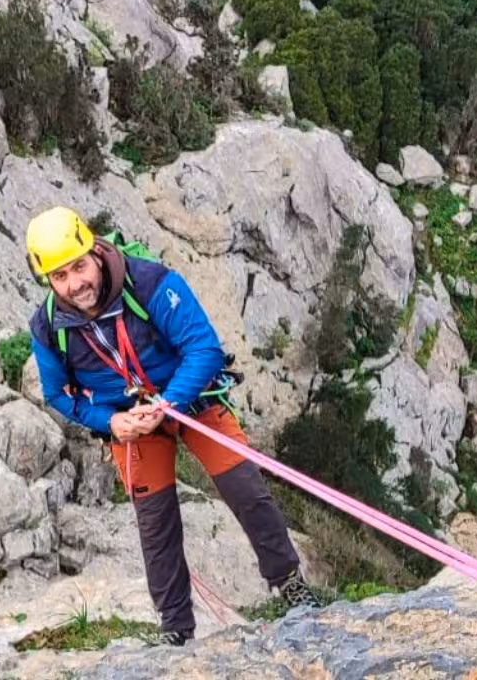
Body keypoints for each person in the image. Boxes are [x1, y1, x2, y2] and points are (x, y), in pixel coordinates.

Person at [24, 206, 324, 646]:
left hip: (191, 398)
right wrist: (110, 421)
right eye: (60, 277)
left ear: (94, 253)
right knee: (155, 521)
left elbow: (204, 348)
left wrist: (169, 403)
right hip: (130, 421)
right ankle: (176, 628)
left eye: (79, 268)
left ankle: (289, 583)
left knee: (245, 488)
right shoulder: (49, 327)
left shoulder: (148, 283)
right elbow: (57, 394)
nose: (75, 284)